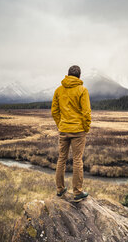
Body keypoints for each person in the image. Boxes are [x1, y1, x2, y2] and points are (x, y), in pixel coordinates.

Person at [51, 65, 91, 202]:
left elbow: (54, 111)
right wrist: (86, 128)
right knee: (77, 160)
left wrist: (60, 124)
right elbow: (86, 112)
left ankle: (60, 189)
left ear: (68, 75)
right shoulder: (82, 90)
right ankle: (77, 192)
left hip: (63, 130)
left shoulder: (58, 90)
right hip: (78, 131)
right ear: (79, 76)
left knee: (61, 158)